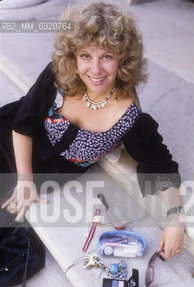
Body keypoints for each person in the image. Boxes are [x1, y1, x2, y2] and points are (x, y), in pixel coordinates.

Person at [0, 2, 184, 260]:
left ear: (123, 59)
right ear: (74, 55)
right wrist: (25, 179)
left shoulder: (129, 118)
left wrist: (175, 220)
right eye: (86, 56)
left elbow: (162, 167)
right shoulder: (58, 75)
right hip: (11, 142)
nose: (95, 70)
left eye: (107, 56)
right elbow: (22, 124)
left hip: (49, 173)